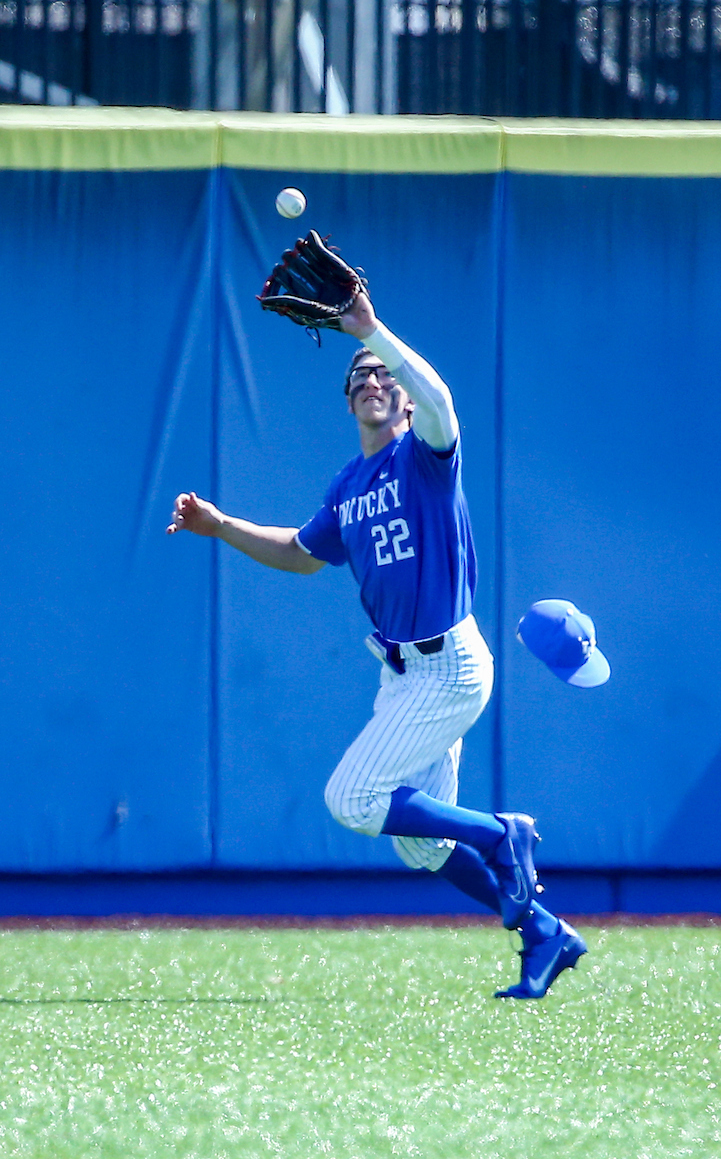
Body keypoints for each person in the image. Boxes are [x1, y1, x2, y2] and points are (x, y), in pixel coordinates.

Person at [168, 290, 587, 999]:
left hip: (448, 665)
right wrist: (222, 526)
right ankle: (544, 931)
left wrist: (373, 331)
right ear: (349, 399)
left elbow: (442, 396)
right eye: (360, 375)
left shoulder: (425, 457)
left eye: (385, 376)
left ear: (407, 402)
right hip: (403, 676)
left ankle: (500, 833)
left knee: (352, 797)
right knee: (420, 846)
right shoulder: (350, 482)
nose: (373, 380)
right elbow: (302, 553)